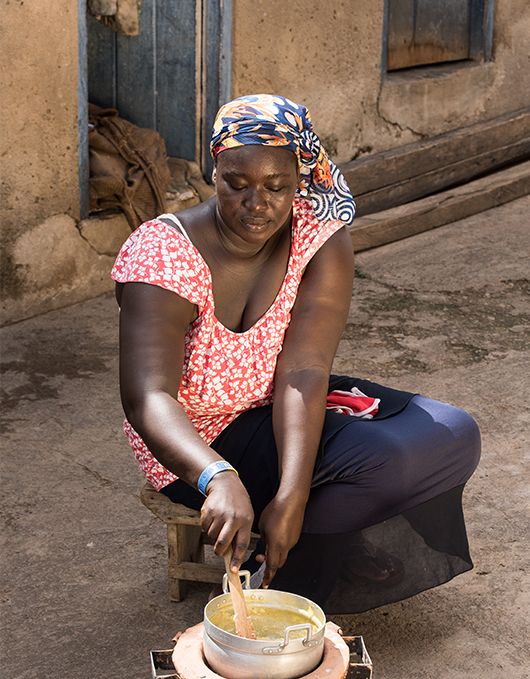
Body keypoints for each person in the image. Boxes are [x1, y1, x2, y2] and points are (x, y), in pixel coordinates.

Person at [112, 94, 481, 614]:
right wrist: (217, 475)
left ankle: (306, 542)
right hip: (196, 439)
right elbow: (147, 397)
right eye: (236, 184)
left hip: (281, 398)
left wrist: (292, 496)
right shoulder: (164, 252)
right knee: (387, 459)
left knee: (452, 434)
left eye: (275, 187)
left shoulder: (319, 238)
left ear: (299, 179)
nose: (255, 203)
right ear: (213, 171)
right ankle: (297, 579)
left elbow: (305, 368)